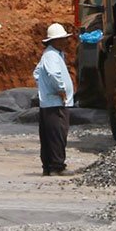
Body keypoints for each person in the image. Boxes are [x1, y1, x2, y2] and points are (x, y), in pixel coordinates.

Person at [34, 23, 74, 176]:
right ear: (54, 41)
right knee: (57, 134)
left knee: (50, 134)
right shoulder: (51, 56)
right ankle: (56, 166)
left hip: (51, 102)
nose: (65, 42)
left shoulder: (52, 54)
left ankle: (49, 166)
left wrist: (43, 86)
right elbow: (53, 74)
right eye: (62, 40)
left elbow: (37, 73)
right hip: (56, 103)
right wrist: (60, 89)